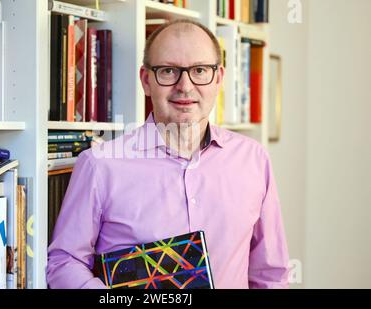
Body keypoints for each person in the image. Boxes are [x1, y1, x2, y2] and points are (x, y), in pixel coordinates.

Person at [47, 19, 289, 289]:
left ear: (219, 78)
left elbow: (270, 274)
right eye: (168, 71)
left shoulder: (253, 160)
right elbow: (63, 262)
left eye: (199, 70)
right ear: (146, 80)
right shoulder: (99, 165)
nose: (185, 86)